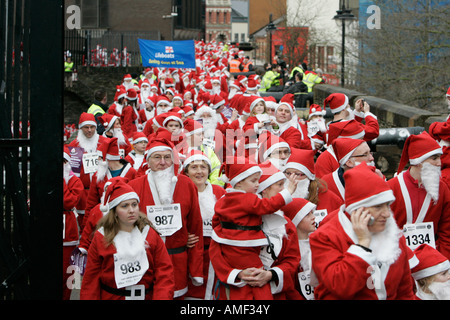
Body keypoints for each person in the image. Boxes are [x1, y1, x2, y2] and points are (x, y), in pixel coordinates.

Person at [309, 162, 415, 300]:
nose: (387, 214)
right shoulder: (325, 237)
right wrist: (362, 245)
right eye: (378, 207)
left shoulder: (393, 235)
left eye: (387, 205)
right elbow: (341, 287)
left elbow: (405, 291)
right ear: (357, 211)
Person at [208, 157, 298, 300]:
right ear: (265, 188)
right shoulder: (232, 217)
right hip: (235, 292)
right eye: (280, 185)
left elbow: (292, 261)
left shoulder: (285, 225)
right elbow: (216, 253)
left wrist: (270, 275)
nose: (283, 190)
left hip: (272, 293)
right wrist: (238, 274)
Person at [127, 137, 204, 299]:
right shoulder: (135, 186)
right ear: (148, 160)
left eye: (167, 157)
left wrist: (196, 269)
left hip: (177, 262)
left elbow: (196, 227)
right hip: (144, 261)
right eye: (157, 157)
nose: (163, 162)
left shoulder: (186, 184)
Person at [80, 177, 175, 300]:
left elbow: (164, 272)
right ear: (114, 211)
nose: (131, 210)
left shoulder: (150, 234)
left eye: (134, 205)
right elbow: (91, 279)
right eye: (124, 206)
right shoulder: (101, 237)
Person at [388, 131, 450, 260]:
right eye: (434, 158)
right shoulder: (391, 187)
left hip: (431, 258)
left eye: (439, 157)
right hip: (397, 258)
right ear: (418, 161)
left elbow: (447, 229)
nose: (440, 163)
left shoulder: (442, 188)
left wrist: (443, 260)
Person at [182, 150, 226, 300]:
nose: (199, 171)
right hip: (191, 254)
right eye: (194, 167)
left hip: (216, 253)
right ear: (186, 172)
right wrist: (182, 238)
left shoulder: (220, 192)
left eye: (203, 167)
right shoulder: (180, 193)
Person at [67, 112, 109, 230]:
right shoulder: (75, 146)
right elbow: (72, 174)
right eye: (86, 127)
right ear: (81, 128)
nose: (89, 130)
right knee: (86, 226)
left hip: (102, 191)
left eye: (92, 127)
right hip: (84, 194)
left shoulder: (104, 142)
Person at [84, 137, 136, 222]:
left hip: (127, 220)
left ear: (107, 158)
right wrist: (85, 226)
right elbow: (91, 203)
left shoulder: (131, 173)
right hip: (104, 220)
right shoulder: (98, 175)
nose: (98, 160)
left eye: (100, 157)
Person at [283, 147, 342, 217]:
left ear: (309, 177)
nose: (291, 178)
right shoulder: (278, 194)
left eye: (297, 174)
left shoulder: (329, 198)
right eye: (288, 173)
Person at [321, 138, 381, 203]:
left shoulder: (378, 176)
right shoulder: (327, 184)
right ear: (349, 162)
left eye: (370, 153)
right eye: (365, 154)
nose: (372, 158)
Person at [282, 198, 318, 300]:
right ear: (295, 220)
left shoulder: (319, 243)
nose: (313, 217)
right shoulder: (289, 250)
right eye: (307, 215)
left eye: (312, 213)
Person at [63, 146, 84, 300]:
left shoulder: (75, 181)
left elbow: (68, 201)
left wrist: (61, 181)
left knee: (68, 272)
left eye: (63, 162)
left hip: (68, 233)